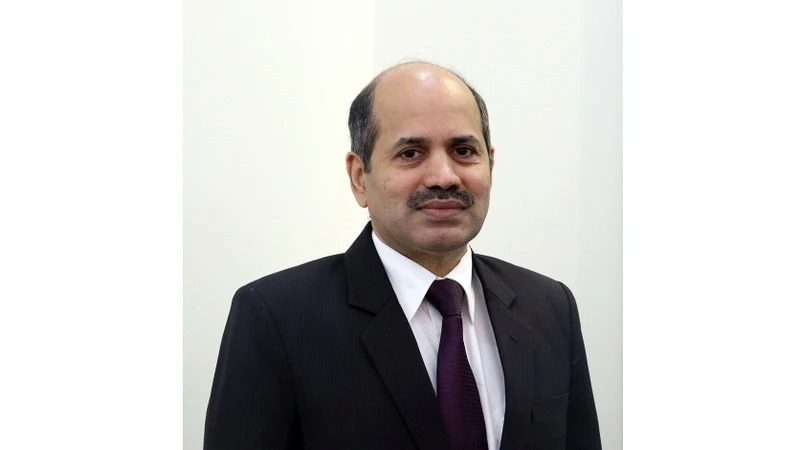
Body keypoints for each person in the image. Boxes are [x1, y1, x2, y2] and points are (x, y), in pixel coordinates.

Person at [204, 61, 601, 450]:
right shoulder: (276, 319)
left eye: (464, 150)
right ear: (359, 178)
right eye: (411, 153)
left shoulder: (549, 308)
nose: (444, 177)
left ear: (491, 167)